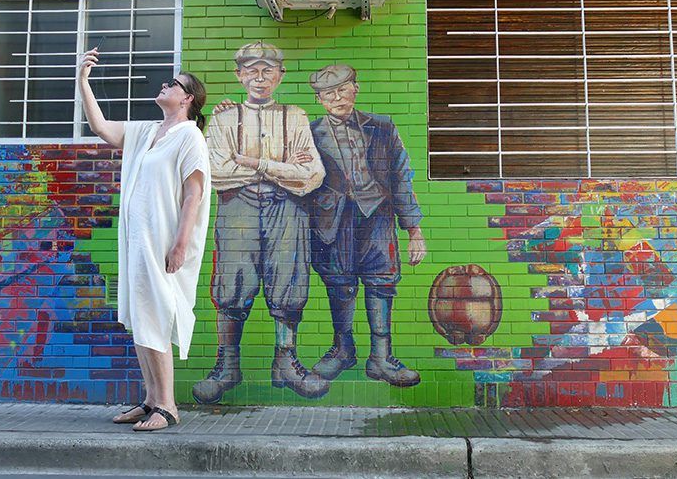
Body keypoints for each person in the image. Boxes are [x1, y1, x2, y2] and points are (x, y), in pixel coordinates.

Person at [78, 48, 211, 431]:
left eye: (174, 84)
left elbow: (193, 194)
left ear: (187, 99)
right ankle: (151, 399)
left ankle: (167, 406)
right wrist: (83, 81)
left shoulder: (190, 137)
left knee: (155, 315)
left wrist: (181, 243)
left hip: (163, 242)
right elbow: (103, 128)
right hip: (137, 241)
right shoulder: (147, 132)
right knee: (141, 317)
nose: (165, 85)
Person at [192, 42, 328, 403]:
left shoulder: (295, 116)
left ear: (280, 76)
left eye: (268, 70)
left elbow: (312, 175)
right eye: (251, 70)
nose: (260, 77)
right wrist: (285, 168)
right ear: (239, 75)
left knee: (289, 280)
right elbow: (214, 171)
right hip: (238, 207)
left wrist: (256, 165)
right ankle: (227, 365)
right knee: (233, 280)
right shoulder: (222, 118)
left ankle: (286, 361)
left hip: (288, 207)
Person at [306, 64, 426, 387]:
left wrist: (414, 230)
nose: (337, 98)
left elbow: (402, 178)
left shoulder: (383, 128)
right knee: (339, 283)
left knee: (382, 283)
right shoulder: (310, 133)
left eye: (343, 89)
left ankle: (381, 358)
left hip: (378, 216)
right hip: (332, 220)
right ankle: (343, 349)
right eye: (328, 93)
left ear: (355, 89)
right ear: (319, 99)